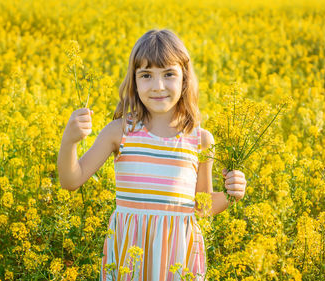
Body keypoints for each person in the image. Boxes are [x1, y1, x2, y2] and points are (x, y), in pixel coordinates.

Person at [57, 29, 247, 281]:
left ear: (184, 79)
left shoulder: (200, 139)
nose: (158, 86)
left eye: (169, 74)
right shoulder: (120, 131)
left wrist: (232, 193)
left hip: (177, 259)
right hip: (128, 259)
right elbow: (71, 180)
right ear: (134, 81)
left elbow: (201, 207)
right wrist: (69, 140)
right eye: (146, 75)